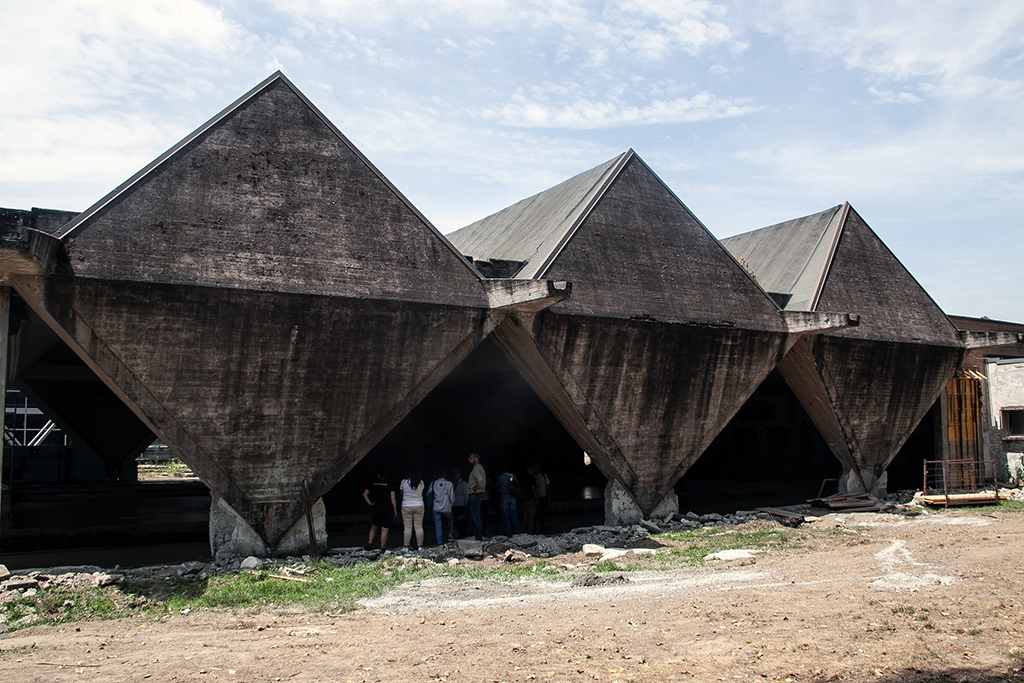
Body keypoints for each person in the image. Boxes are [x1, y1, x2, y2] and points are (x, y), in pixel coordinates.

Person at [362, 470, 396, 550]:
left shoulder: (373, 483)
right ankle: (382, 548)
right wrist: (395, 509)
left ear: (378, 475)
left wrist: (371, 503)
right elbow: (393, 498)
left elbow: (364, 494)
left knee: (374, 526)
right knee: (384, 529)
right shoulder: (390, 483)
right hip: (387, 508)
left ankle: (369, 544)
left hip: (377, 507)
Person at [399, 467, 426, 550]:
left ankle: (406, 546)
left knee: (407, 527)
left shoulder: (404, 482)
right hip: (419, 505)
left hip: (406, 505)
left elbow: (401, 492)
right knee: (418, 526)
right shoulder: (421, 483)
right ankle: (420, 546)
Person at [430, 466, 455, 545]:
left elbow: (429, 494)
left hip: (436, 507)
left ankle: (439, 542)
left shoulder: (433, 483)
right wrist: (451, 504)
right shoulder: (449, 483)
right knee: (450, 519)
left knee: (438, 525)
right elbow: (452, 497)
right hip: (447, 507)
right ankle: (450, 534)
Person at [496, 462, 520, 537]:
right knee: (513, 514)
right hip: (512, 495)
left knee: (505, 515)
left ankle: (508, 532)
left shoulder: (500, 477)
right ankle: (516, 531)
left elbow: (497, 486)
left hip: (504, 496)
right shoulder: (513, 476)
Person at [466, 452, 486, 541]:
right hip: (477, 495)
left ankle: (478, 537)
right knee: (468, 513)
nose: (469, 460)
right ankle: (473, 533)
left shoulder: (476, 469)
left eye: (471, 458)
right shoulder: (480, 468)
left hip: (475, 495)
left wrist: (473, 489)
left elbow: (480, 481)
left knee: (476, 517)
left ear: (476, 459)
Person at [532, 461, 551, 533]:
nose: (536, 469)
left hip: (543, 496)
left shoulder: (543, 476)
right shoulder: (533, 477)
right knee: (534, 514)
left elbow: (548, 486)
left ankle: (541, 527)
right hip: (535, 497)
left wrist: (549, 496)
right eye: (535, 468)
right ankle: (534, 528)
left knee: (542, 513)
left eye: (537, 468)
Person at [451, 467, 468, 538]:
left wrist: (466, 506)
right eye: (453, 474)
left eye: (455, 474)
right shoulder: (452, 484)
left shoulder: (463, 484)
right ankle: (460, 535)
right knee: (457, 523)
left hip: (461, 506)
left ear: (459, 474)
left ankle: (463, 535)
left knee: (462, 522)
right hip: (454, 506)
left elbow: (466, 495)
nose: (454, 476)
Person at [521, 464, 538, 533]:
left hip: (525, 497)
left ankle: (524, 530)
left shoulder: (523, 478)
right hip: (531, 498)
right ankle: (530, 531)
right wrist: (536, 499)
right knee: (531, 516)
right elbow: (533, 489)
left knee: (526, 516)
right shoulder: (532, 478)